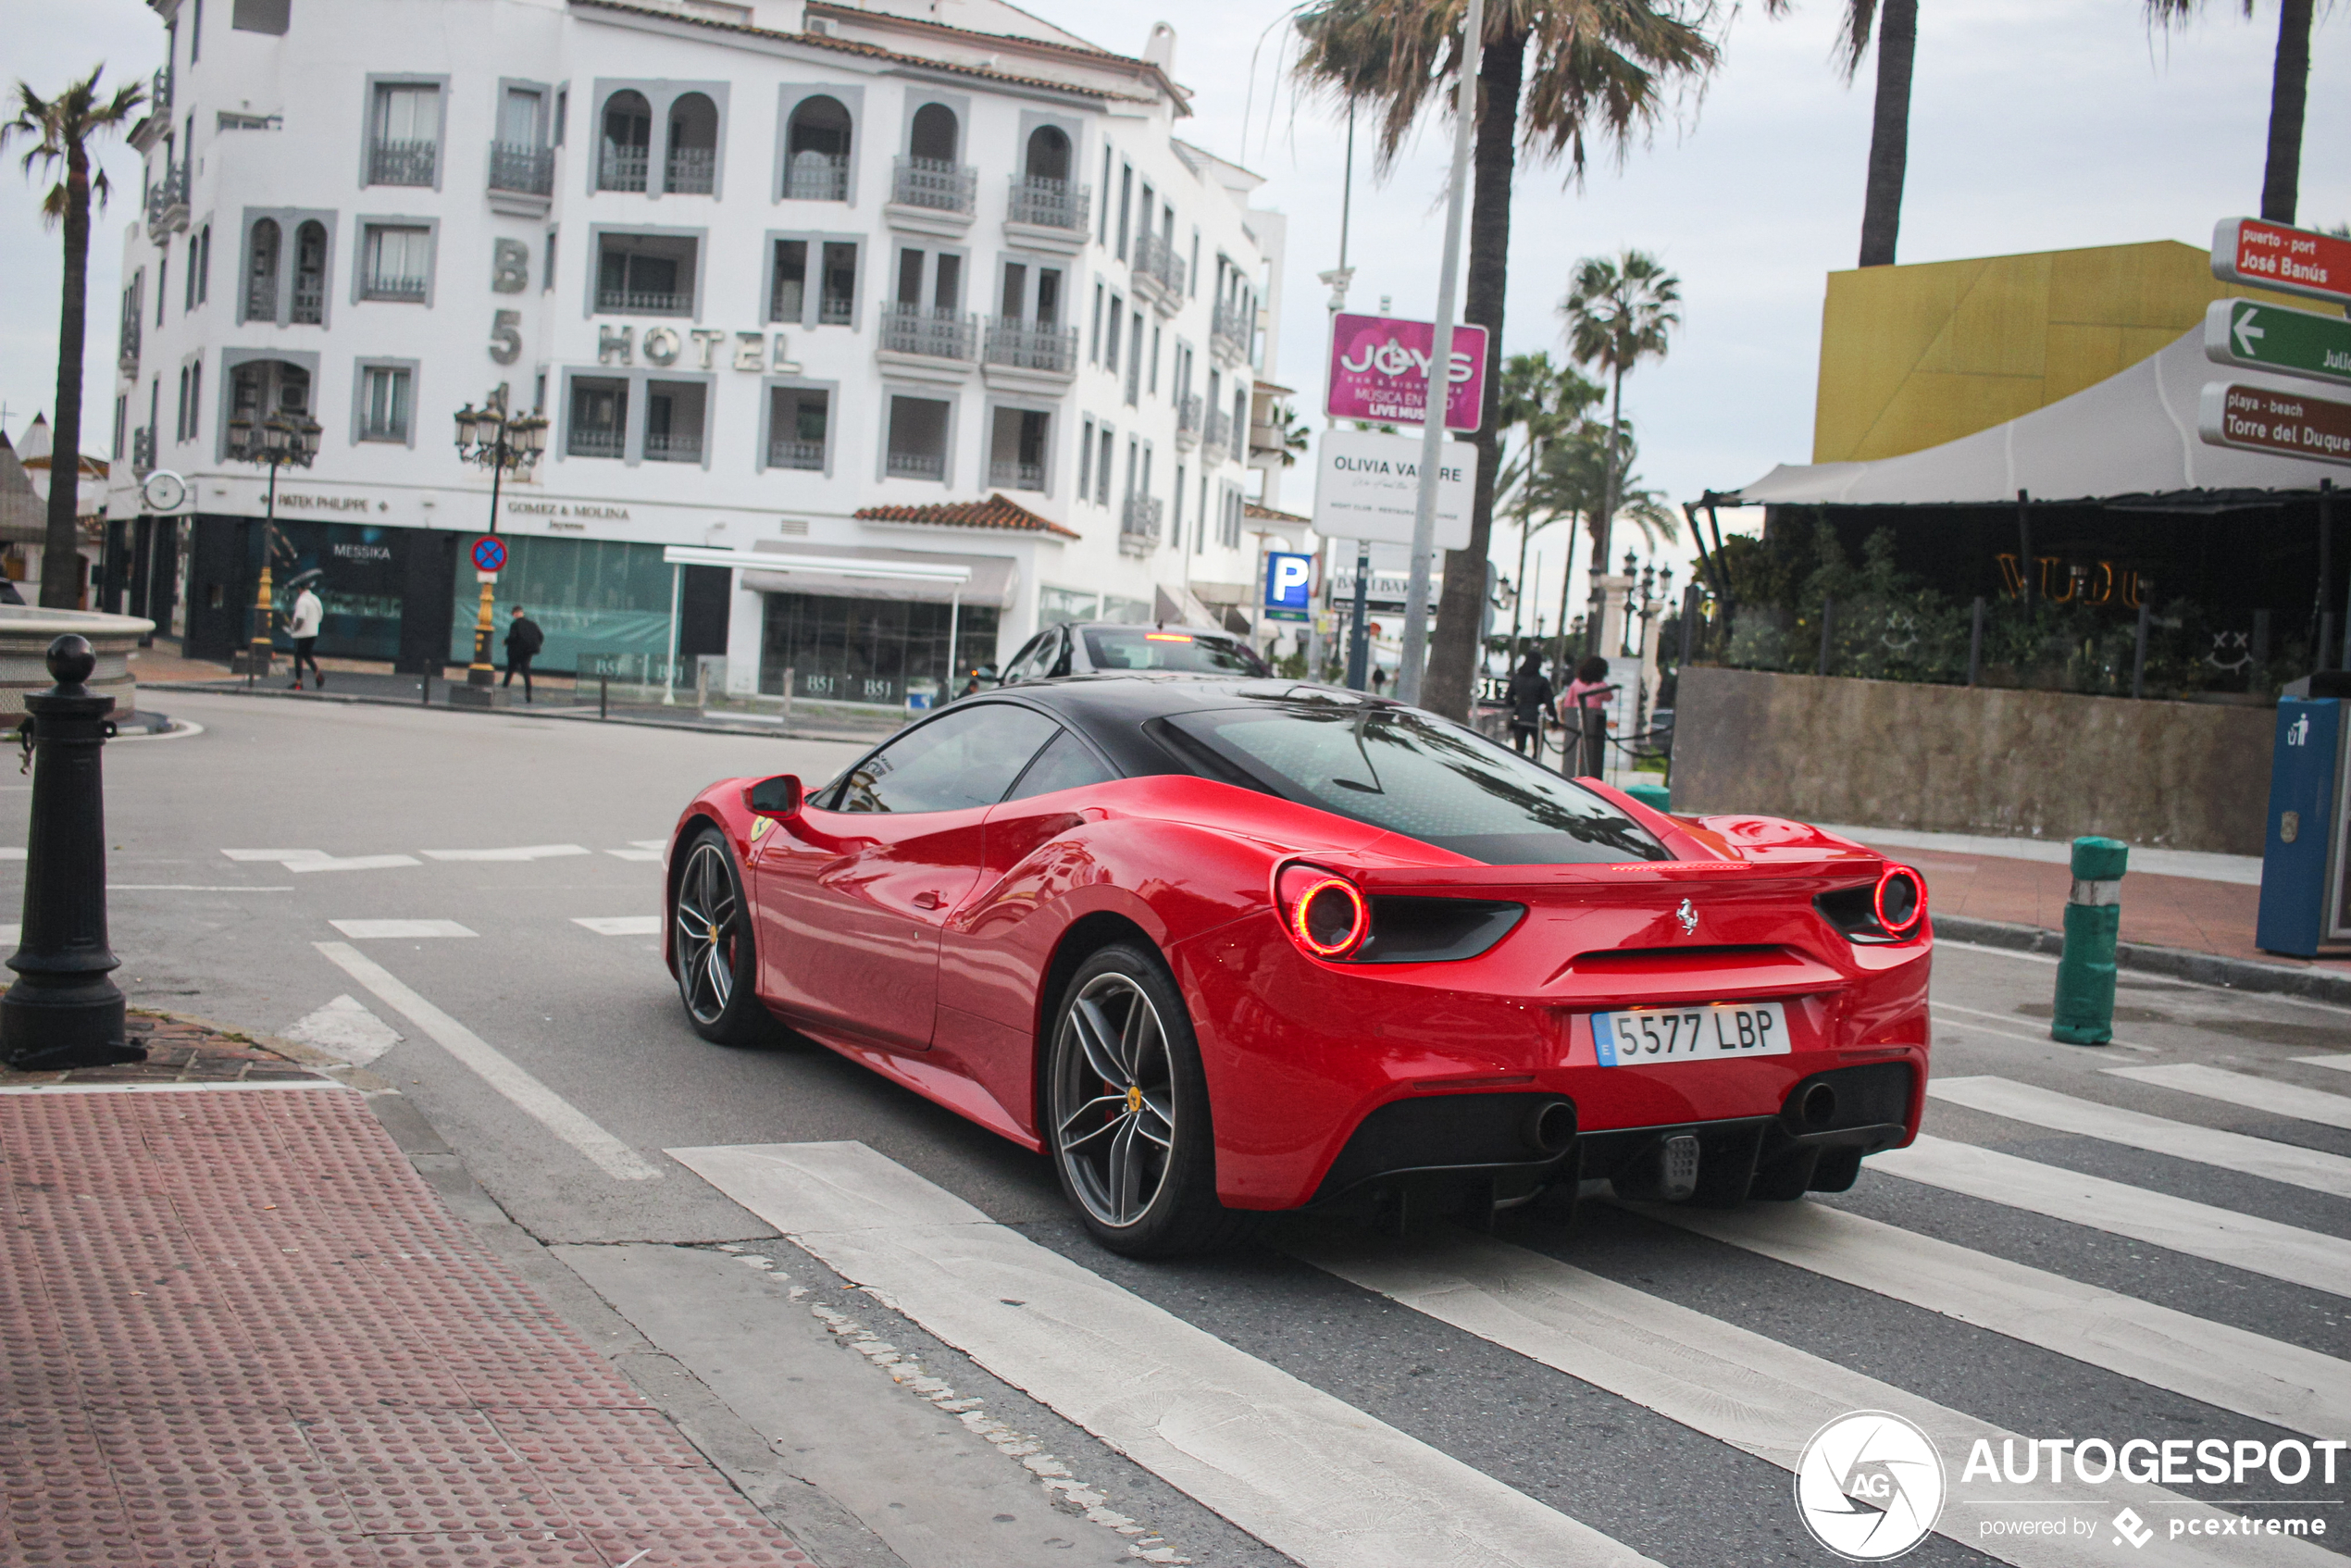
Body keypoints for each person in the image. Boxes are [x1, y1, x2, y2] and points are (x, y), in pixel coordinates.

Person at [1561, 654, 1615, 778]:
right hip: (1595, 719)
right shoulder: (1601, 685)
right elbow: (1609, 697)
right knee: (1592, 752)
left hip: (1575, 719)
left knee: (1574, 751)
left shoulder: (1576, 683)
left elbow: (1568, 702)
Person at [1504, 648, 1556, 757]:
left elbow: (1508, 699)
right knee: (1537, 749)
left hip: (1520, 717)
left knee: (1519, 750)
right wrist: (1554, 719)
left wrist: (1517, 706)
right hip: (1535, 718)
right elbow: (1549, 702)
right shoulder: (1542, 681)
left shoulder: (1517, 678)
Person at [286, 581, 325, 690]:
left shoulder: (302, 601)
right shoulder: (315, 599)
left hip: (302, 633)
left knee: (298, 656)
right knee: (307, 655)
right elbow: (320, 615)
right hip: (313, 632)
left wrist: (293, 629)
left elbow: (300, 619)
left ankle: (299, 682)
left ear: (299, 589)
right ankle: (318, 674)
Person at [503, 605, 544, 702]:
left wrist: (505, 641)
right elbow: (541, 636)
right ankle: (528, 694)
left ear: (515, 614)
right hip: (528, 652)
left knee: (510, 671)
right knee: (526, 672)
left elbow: (512, 637)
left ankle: (503, 689)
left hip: (515, 652)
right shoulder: (532, 624)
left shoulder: (515, 624)